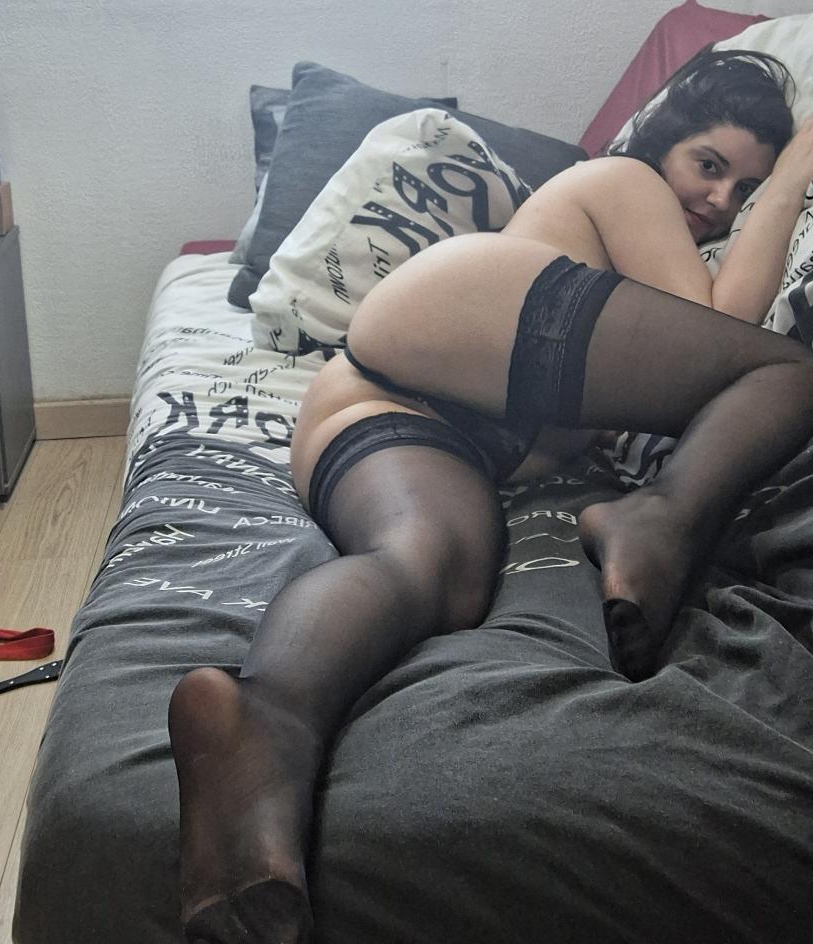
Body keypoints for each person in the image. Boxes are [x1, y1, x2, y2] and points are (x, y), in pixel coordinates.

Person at [168, 48, 813, 944]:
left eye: (742, 189)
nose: (719, 197)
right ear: (664, 143)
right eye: (709, 163)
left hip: (377, 401)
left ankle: (262, 721)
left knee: (432, 568)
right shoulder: (626, 181)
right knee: (788, 374)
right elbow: (730, 325)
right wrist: (790, 178)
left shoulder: (641, 278)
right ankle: (655, 520)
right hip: (454, 307)